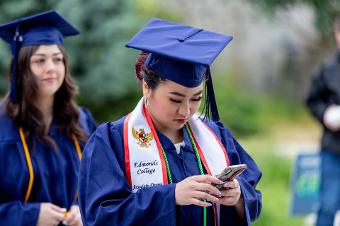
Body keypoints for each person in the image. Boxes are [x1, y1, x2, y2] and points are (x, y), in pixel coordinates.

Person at [78, 18, 262, 226]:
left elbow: (253, 195)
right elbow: (101, 217)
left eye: (196, 99)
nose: (186, 111)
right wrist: (171, 196)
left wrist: (238, 196)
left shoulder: (215, 135)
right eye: (175, 99)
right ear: (146, 87)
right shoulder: (112, 141)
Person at [0, 10, 96, 226]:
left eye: (57, 59)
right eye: (40, 60)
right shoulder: (3, 127)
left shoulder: (80, 121)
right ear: (21, 68)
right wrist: (29, 216)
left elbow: (103, 185)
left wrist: (84, 210)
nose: (51, 68)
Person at [306, 16, 340, 226]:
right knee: (327, 205)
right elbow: (312, 100)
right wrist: (326, 114)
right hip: (333, 150)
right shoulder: (327, 70)